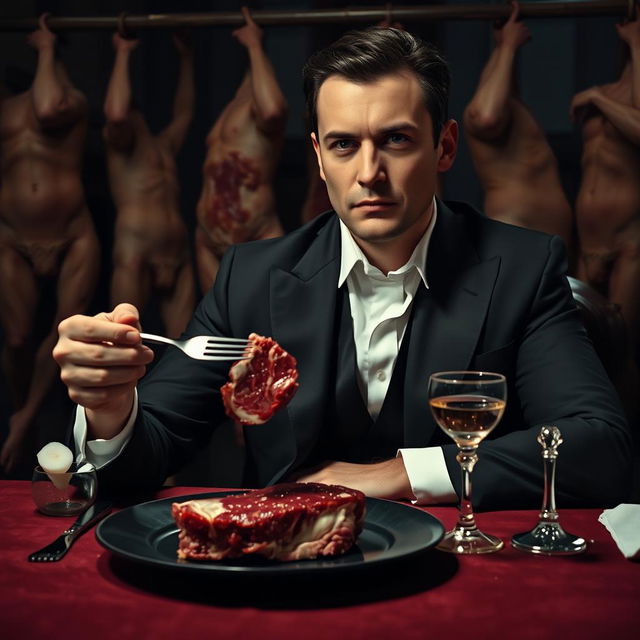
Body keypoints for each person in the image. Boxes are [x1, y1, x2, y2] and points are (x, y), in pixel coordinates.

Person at [53, 27, 632, 510]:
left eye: (396, 140)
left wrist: (403, 473)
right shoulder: (250, 277)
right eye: (344, 145)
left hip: (464, 576)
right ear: (319, 157)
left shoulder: (523, 269)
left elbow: (599, 447)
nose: (369, 173)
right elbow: (146, 457)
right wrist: (110, 412)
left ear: (445, 147)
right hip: (285, 576)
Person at [0, 16, 100, 474]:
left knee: (63, 329)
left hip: (71, 232)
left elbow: (45, 107)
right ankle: (25, 410)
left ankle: (25, 420)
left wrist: (43, 46)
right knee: (19, 338)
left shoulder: (71, 103)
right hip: (13, 236)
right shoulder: (5, 114)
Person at [103, 29, 196, 339]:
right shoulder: (120, 143)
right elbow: (115, 113)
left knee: (186, 344)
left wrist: (185, 58)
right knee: (123, 339)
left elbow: (185, 112)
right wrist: (123, 52)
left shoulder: (162, 144)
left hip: (177, 254)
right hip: (135, 251)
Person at [463, 2, 573, 251]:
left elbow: (501, 94)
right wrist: (509, 46)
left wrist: (503, 45)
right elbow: (486, 116)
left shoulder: (509, 110)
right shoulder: (479, 117)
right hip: (515, 226)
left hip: (532, 232)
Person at [195, 6, 288, 292]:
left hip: (256, 235)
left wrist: (254, 44)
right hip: (207, 238)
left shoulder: (261, 110)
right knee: (216, 328)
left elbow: (273, 111)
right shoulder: (235, 104)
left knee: (265, 327)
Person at [570, 10, 640, 354]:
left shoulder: (602, 98)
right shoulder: (609, 92)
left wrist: (596, 99)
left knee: (621, 347)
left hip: (630, 241)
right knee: (583, 349)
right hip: (587, 239)